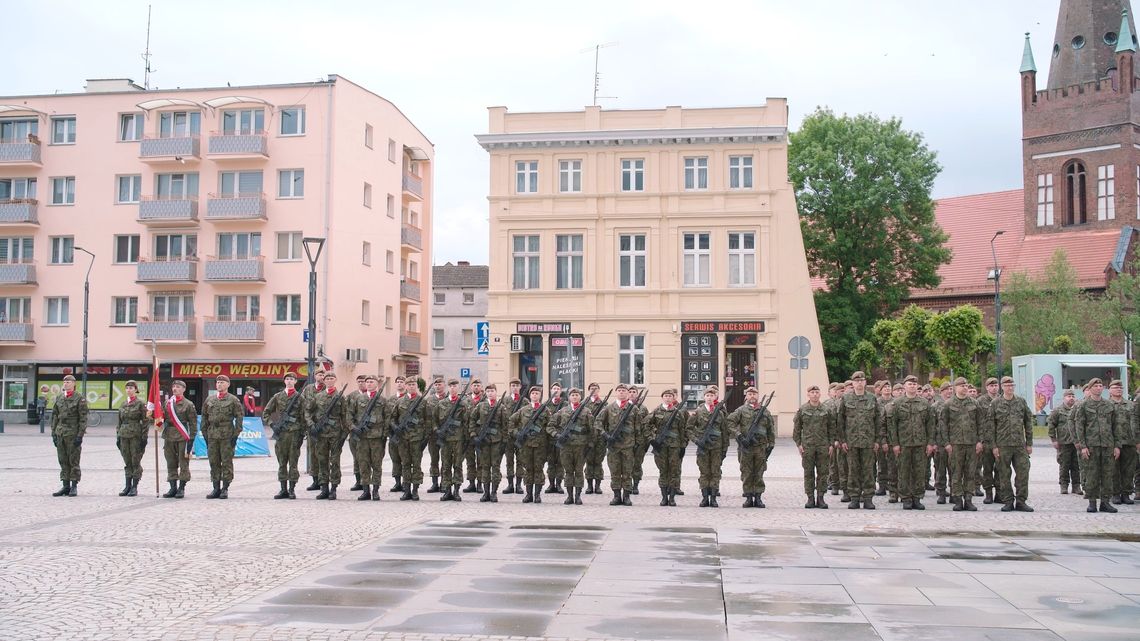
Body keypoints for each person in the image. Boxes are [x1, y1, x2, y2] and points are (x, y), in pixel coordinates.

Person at [986, 375, 1035, 512]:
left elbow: (1028, 422)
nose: (1010, 387)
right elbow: (990, 426)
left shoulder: (1021, 402)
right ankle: (1008, 500)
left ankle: (1021, 501)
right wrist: (994, 446)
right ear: (1002, 387)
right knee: (1004, 474)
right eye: (1007, 385)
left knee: (1023, 473)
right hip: (1003, 445)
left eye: (1012, 385)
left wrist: (1029, 443)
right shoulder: (996, 403)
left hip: (1019, 445)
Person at [889, 375, 936, 510]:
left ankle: (917, 497)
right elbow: (893, 426)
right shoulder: (897, 404)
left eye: (915, 384)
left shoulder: (924, 403)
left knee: (919, 472)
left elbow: (930, 425)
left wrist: (930, 443)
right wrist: (895, 444)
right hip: (904, 443)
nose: (912, 386)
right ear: (904, 386)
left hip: (920, 443)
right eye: (910, 384)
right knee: (904, 471)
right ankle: (906, 498)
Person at [1074, 378, 1121, 513]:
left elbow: (1116, 427)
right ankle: (1092, 502)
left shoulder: (1109, 405)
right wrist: (1083, 446)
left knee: (1107, 474)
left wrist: (1117, 446)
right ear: (1091, 388)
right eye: (1096, 386)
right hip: (1091, 446)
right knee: (1092, 475)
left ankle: (1105, 502)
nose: (1099, 388)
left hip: (1107, 445)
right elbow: (1079, 427)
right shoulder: (1083, 405)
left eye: (1101, 386)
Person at [938, 377, 984, 511]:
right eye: (961, 385)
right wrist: (946, 443)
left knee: (970, 473)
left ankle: (968, 499)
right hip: (955, 444)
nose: (964, 387)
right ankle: (958, 499)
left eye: (966, 385)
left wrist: (980, 441)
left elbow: (980, 423)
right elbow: (943, 425)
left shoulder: (974, 404)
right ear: (956, 387)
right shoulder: (948, 404)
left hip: (971, 443)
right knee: (956, 473)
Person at [838, 371, 881, 510]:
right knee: (853, 470)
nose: (859, 383)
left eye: (862, 381)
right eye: (857, 381)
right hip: (851, 441)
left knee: (868, 470)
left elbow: (878, 421)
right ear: (853, 383)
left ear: (865, 382)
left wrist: (877, 440)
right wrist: (842, 440)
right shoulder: (846, 399)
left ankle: (868, 498)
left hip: (868, 441)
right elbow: (840, 421)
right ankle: (854, 497)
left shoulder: (872, 398)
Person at [729, 386, 775, 508]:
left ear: (758, 396)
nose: (752, 396)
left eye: (754, 394)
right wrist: (739, 436)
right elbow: (730, 423)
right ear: (746, 396)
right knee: (747, 472)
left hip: (760, 447)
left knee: (759, 472)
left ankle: (758, 497)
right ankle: (749, 497)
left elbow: (771, 429)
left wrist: (771, 444)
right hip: (746, 447)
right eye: (750, 394)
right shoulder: (741, 410)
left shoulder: (765, 411)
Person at [306, 372, 350, 500]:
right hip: (321, 434)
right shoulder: (318, 396)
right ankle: (324, 488)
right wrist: (311, 425)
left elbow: (345, 416)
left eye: (332, 378)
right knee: (322, 461)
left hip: (335, 434)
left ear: (335, 380)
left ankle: (334, 488)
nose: (329, 380)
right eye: (327, 378)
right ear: (324, 381)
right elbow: (308, 411)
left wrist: (344, 434)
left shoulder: (341, 397)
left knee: (334, 461)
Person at [548, 387, 594, 505]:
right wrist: (557, 435)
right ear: (568, 397)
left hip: (580, 446)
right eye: (572, 395)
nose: (574, 397)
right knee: (568, 471)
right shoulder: (562, 411)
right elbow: (550, 426)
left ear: (580, 397)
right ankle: (569, 496)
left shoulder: (586, 411)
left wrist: (590, 444)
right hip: (566, 446)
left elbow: (592, 430)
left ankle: (578, 496)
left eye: (577, 395)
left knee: (578, 471)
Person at [262, 372, 305, 499]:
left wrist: (302, 434)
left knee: (293, 463)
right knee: (281, 462)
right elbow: (266, 412)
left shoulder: (300, 398)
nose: (289, 381)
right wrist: (272, 424)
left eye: (292, 379)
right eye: (287, 379)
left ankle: (292, 489)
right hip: (281, 434)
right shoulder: (277, 396)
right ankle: (283, 489)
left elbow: (304, 417)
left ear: (296, 381)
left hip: (294, 433)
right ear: (284, 381)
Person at [201, 375, 244, 500]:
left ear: (228, 385)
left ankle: (225, 488)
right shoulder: (210, 400)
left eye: (222, 382)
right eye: (218, 382)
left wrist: (236, 434)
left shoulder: (233, 400)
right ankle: (216, 488)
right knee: (213, 462)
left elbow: (239, 417)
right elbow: (204, 416)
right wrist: (205, 433)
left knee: (226, 462)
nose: (219, 384)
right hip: (212, 435)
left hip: (226, 435)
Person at [794, 384, 835, 509]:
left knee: (823, 473)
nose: (815, 394)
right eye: (812, 392)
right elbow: (797, 429)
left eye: (817, 392)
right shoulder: (803, 409)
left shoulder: (826, 409)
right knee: (809, 473)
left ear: (820, 394)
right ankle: (810, 498)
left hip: (823, 446)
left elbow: (832, 428)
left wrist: (831, 444)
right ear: (808, 394)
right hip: (808, 446)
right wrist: (799, 444)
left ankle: (821, 498)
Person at [686, 386, 727, 507]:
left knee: (715, 472)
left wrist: (724, 448)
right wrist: (696, 440)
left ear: (715, 397)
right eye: (707, 396)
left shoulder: (719, 412)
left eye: (712, 396)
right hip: (703, 447)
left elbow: (724, 431)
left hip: (716, 447)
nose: (709, 398)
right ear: (704, 397)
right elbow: (689, 429)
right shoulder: (698, 412)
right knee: (704, 472)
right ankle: (704, 498)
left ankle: (713, 498)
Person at [602, 384, 642, 506]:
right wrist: (605, 435)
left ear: (627, 393)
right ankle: (616, 496)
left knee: (627, 472)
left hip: (628, 446)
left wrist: (638, 445)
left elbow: (638, 428)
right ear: (616, 392)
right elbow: (597, 423)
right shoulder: (609, 408)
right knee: (615, 472)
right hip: (613, 447)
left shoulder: (634, 409)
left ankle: (626, 496)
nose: (621, 392)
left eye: (624, 391)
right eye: (619, 390)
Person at [157, 379, 196, 499]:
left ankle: (181, 487)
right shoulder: (167, 403)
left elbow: (193, 423)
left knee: (183, 462)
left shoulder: (188, 404)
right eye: (174, 386)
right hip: (169, 435)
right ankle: (172, 487)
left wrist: (191, 439)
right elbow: (161, 417)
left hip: (182, 436)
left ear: (184, 389)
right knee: (170, 462)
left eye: (178, 387)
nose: (175, 389)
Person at [350, 374, 388, 501]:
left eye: (372, 381)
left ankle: (376, 490)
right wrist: (353, 428)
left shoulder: (382, 400)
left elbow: (388, 418)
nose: (369, 384)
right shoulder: (358, 399)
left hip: (377, 437)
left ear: (377, 384)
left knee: (377, 464)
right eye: (368, 382)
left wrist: (384, 435)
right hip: (362, 437)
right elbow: (349, 415)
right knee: (363, 464)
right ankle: (366, 490)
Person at [509, 386, 549, 503]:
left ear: (540, 396)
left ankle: (537, 495)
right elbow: (511, 421)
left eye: (537, 393)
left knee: (538, 469)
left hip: (540, 445)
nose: (535, 395)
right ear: (530, 396)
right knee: (528, 469)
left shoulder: (545, 410)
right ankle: (528, 494)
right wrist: (517, 434)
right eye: (533, 393)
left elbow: (550, 425)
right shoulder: (523, 410)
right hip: (526, 445)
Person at [50, 374, 88, 497]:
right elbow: (55, 416)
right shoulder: (59, 398)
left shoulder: (79, 399)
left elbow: (83, 419)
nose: (66, 383)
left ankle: (74, 486)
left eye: (68, 382)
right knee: (62, 459)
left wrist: (80, 436)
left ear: (74, 384)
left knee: (73, 460)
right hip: (61, 432)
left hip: (73, 433)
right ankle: (65, 485)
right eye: (64, 381)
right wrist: (54, 434)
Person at [469, 383, 508, 502]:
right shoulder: (480, 406)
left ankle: (494, 492)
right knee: (485, 467)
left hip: (496, 441)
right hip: (484, 442)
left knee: (495, 467)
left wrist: (504, 442)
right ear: (485, 393)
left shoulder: (501, 407)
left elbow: (505, 426)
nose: (490, 393)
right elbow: (472, 420)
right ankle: (486, 492)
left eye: (492, 391)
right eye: (488, 391)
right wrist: (474, 434)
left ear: (496, 392)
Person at [649, 389, 685, 506]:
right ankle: (664, 497)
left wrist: (683, 446)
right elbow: (646, 425)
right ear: (662, 397)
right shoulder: (656, 411)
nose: (668, 397)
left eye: (670, 396)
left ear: (673, 398)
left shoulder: (678, 412)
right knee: (663, 471)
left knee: (674, 472)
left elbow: (683, 431)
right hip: (660, 447)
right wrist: (652, 439)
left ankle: (672, 498)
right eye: (666, 396)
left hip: (674, 447)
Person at [435, 378, 469, 501]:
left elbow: (466, 422)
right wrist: (438, 431)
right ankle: (447, 490)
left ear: (458, 388)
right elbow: (434, 421)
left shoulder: (463, 404)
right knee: (446, 465)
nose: (453, 388)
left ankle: (456, 490)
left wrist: (466, 438)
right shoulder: (441, 404)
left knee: (458, 465)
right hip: (445, 440)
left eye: (455, 386)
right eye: (451, 386)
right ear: (448, 388)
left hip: (458, 439)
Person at [116, 380, 148, 497]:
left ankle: (134, 486)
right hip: (124, 435)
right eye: (127, 388)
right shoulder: (123, 404)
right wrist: (118, 436)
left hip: (135, 436)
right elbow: (119, 421)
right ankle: (127, 486)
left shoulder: (140, 404)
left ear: (136, 390)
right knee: (127, 461)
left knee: (135, 461)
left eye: (131, 388)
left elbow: (145, 422)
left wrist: (144, 437)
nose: (129, 390)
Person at [1047, 388, 1081, 495]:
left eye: (1072, 396)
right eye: (1069, 396)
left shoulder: (1078, 409)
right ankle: (1064, 485)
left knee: (1076, 465)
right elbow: (1051, 425)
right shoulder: (1058, 411)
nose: (1071, 398)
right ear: (1064, 398)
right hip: (1064, 442)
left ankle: (1076, 486)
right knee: (1064, 465)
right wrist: (1053, 439)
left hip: (1077, 442)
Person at [1108, 379, 1136, 505]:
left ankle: (1126, 493)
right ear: (1110, 390)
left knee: (1129, 470)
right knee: (1113, 469)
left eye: (1120, 388)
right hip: (1112, 442)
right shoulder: (1106, 405)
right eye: (1115, 387)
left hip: (1129, 441)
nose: (1118, 389)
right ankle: (1115, 494)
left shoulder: (1131, 405)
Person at [301, 370, 328, 491]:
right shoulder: (308, 389)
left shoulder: (328, 389)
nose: (321, 377)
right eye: (319, 375)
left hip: (325, 428)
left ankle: (324, 481)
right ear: (314, 376)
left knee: (324, 454)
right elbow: (302, 405)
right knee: (312, 453)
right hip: (311, 425)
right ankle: (315, 480)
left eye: (323, 375)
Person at [976, 377, 1000, 503]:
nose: (994, 388)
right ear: (987, 388)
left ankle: (1000, 493)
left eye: (996, 385)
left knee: (1001, 468)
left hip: (1000, 440)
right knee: (987, 468)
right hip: (986, 440)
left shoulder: (1002, 400)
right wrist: (979, 440)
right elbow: (977, 421)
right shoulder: (980, 401)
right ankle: (988, 493)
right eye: (991, 386)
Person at [383, 376, 407, 493]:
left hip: (406, 435)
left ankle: (406, 482)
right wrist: (390, 432)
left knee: (406, 460)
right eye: (397, 382)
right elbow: (387, 416)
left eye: (402, 382)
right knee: (395, 459)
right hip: (393, 434)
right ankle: (397, 483)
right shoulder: (391, 399)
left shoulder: (409, 398)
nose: (399, 384)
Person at [584, 383, 609, 494]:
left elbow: (607, 421)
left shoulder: (604, 404)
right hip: (588, 436)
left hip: (600, 436)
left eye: (596, 388)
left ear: (599, 390)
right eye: (592, 388)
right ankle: (589, 486)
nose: (594, 390)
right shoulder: (584, 403)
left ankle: (598, 486)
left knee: (598, 461)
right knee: (589, 461)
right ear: (588, 390)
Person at [502, 379, 526, 494]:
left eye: (517, 385)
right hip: (508, 436)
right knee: (509, 460)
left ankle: (518, 485)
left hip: (520, 435)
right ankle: (510, 484)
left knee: (520, 460)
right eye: (513, 385)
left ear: (520, 387)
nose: (515, 387)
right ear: (510, 387)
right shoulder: (505, 400)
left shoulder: (525, 401)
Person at [425, 378, 447, 492]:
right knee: (434, 459)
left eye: (440, 384)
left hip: (445, 434)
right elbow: (426, 417)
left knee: (445, 459)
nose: (438, 386)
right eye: (436, 385)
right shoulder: (429, 400)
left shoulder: (449, 398)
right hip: (433, 435)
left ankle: (444, 483)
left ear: (444, 385)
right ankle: (434, 483)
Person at [345, 374, 367, 492]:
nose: (361, 383)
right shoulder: (351, 396)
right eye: (359, 381)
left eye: (363, 381)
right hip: (354, 432)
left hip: (368, 433)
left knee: (367, 458)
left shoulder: (371, 396)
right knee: (356, 458)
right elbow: (347, 413)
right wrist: (352, 428)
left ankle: (366, 481)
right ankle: (358, 481)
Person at [462, 379, 485, 493]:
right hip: (467, 435)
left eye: (478, 385)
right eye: (474, 385)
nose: (476, 387)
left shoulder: (485, 400)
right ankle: (471, 483)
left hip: (480, 434)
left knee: (481, 460)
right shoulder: (465, 400)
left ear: (481, 387)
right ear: (471, 387)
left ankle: (480, 483)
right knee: (470, 460)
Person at [544, 382, 567, 494]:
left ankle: (558, 485)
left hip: (561, 437)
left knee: (560, 462)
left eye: (558, 388)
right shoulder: (546, 404)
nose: (556, 390)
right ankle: (551, 484)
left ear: (561, 391)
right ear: (550, 390)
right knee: (551, 462)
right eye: (554, 388)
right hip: (549, 438)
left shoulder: (566, 404)